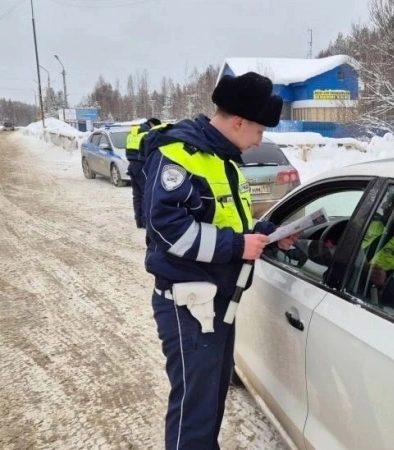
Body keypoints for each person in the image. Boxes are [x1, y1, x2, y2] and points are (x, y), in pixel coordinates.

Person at [142, 71, 297, 450]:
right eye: (258, 132)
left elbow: (229, 223)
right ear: (239, 122)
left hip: (218, 301)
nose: (260, 141)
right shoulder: (179, 154)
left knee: (210, 401)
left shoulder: (224, 160)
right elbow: (168, 230)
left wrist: (269, 234)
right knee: (194, 409)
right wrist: (236, 247)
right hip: (189, 305)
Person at [125, 117, 162, 228]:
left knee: (137, 195)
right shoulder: (146, 134)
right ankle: (146, 222)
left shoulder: (132, 133)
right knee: (146, 194)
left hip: (131, 165)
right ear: (153, 125)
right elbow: (149, 152)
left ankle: (139, 221)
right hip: (142, 167)